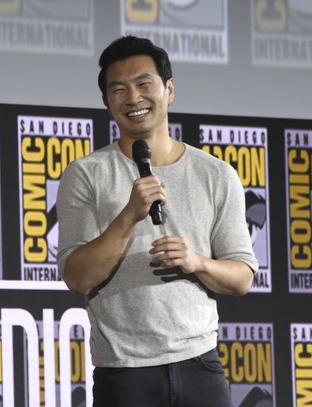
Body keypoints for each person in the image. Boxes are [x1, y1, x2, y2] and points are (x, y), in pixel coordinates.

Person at [56, 36, 258, 407]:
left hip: (200, 365)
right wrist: (129, 215)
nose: (133, 98)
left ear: (168, 89)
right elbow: (77, 276)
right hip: (123, 372)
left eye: (144, 84)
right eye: (119, 89)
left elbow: (243, 275)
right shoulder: (85, 174)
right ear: (107, 103)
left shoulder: (216, 174)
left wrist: (196, 262)